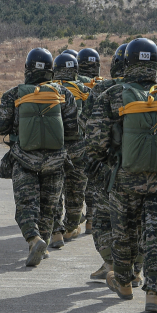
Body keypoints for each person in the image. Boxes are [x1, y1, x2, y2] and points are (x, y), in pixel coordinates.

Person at [85, 38, 157, 312]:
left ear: (127, 63)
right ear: (156, 64)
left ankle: (124, 284)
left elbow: (95, 141)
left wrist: (112, 163)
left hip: (125, 179)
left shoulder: (110, 96)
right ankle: (154, 297)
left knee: (123, 233)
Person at [0, 48, 78, 267]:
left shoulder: (14, 94)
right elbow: (73, 130)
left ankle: (34, 239)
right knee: (49, 208)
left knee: (26, 206)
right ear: (51, 69)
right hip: (56, 162)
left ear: (27, 68)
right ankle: (45, 243)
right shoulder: (63, 93)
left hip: (24, 160)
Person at [80, 43, 145, 283]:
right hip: (142, 167)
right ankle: (135, 270)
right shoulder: (150, 90)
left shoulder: (103, 89)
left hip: (107, 168)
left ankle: (111, 263)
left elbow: (86, 122)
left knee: (103, 219)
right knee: (137, 221)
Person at [48, 53, 91, 249]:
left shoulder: (50, 89)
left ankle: (56, 232)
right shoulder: (83, 89)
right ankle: (71, 226)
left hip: (55, 147)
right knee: (76, 191)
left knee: (55, 190)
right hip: (79, 148)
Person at [76, 48, 102, 232]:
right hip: (98, 141)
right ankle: (91, 221)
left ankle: (72, 219)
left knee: (76, 182)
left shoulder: (73, 84)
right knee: (93, 182)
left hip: (77, 140)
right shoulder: (104, 84)